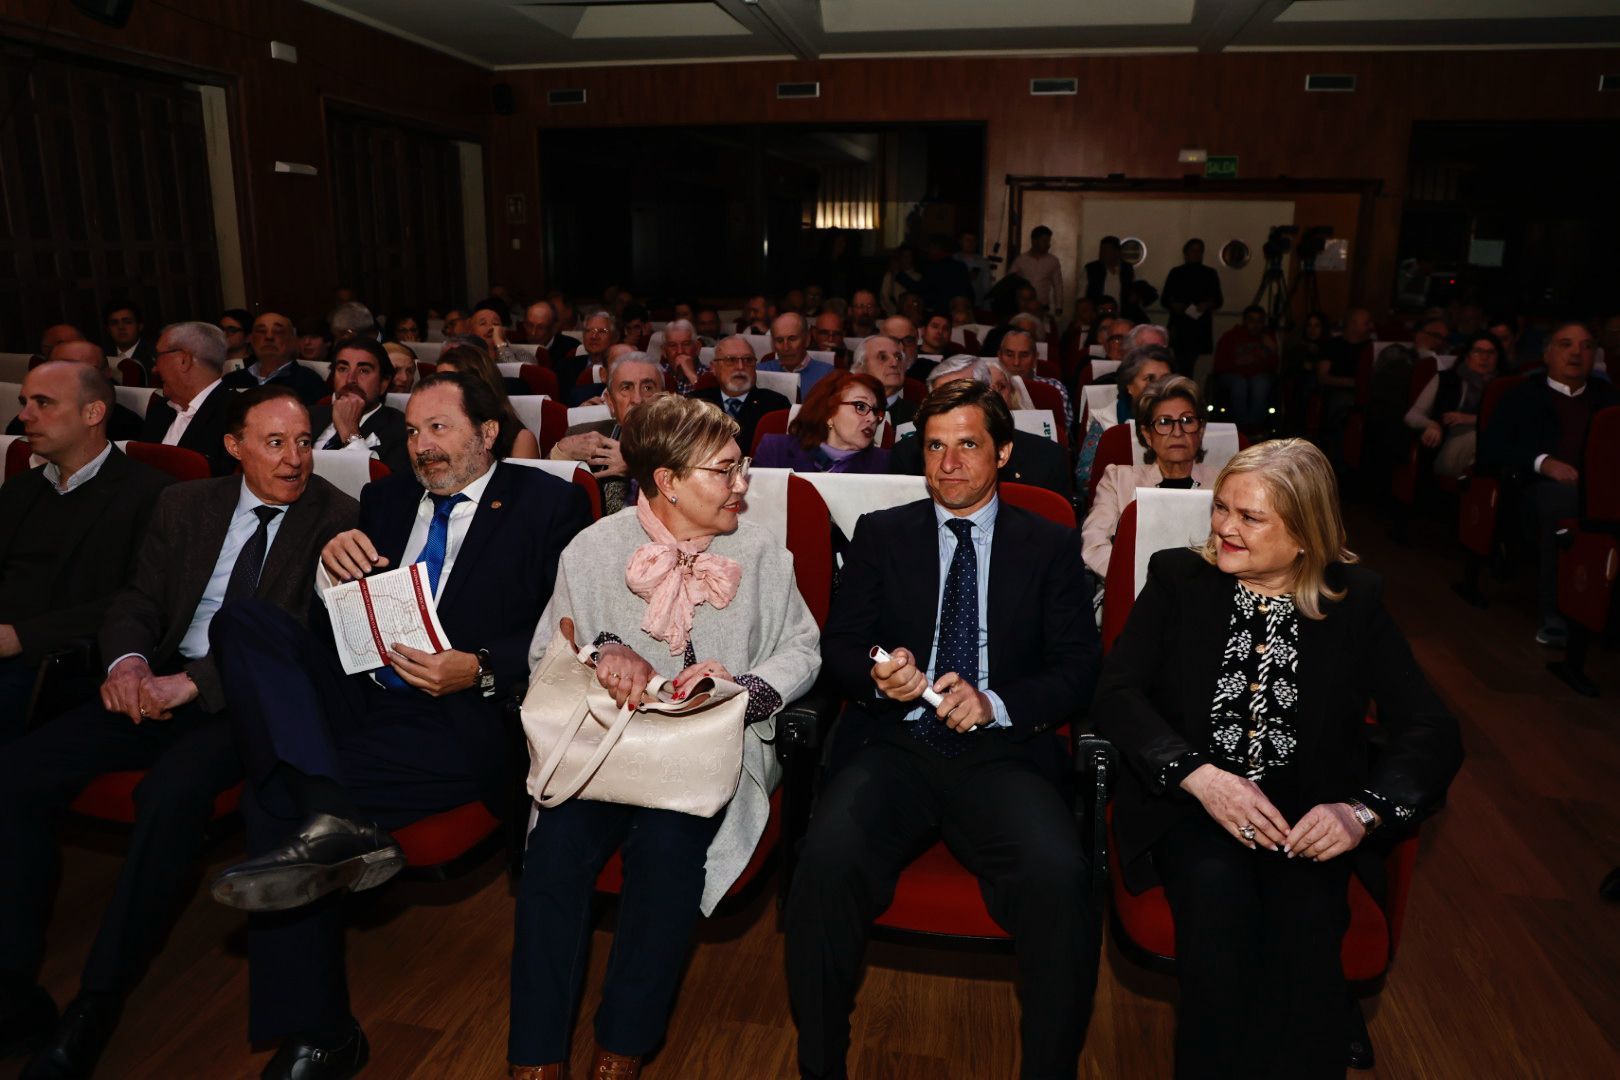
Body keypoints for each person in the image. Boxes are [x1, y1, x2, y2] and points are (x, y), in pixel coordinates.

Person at [206, 372, 590, 1079]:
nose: (421, 446)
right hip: (365, 691)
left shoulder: (549, 503)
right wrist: (331, 573)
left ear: (487, 434)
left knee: (271, 798)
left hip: (459, 713)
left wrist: (476, 666)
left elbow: (571, 628)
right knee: (244, 620)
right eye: (412, 432)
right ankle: (334, 818)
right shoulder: (383, 499)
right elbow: (338, 625)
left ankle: (321, 1033)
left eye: (439, 429)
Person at [0, 387, 357, 1079]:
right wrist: (129, 662)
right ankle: (13, 991)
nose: (295, 458)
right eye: (275, 442)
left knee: (168, 799)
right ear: (233, 446)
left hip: (239, 710)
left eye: (305, 441)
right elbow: (138, 599)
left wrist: (193, 684)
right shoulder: (186, 506)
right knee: (15, 775)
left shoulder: (335, 521)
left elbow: (300, 641)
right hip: (148, 684)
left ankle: (97, 1000)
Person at [1093, 438, 1462, 1078]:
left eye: (1250, 517)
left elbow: (1432, 729)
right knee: (1217, 916)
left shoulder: (1355, 601)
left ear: (1303, 534)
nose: (1225, 529)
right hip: (1194, 807)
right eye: (1222, 509)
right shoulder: (1178, 578)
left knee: (1308, 932)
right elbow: (1117, 693)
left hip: (1306, 822)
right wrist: (1198, 776)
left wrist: (1363, 813)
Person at [787, 378, 1101, 1080]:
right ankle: (820, 1066)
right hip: (895, 743)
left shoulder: (1048, 544)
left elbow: (1080, 668)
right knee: (827, 862)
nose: (949, 463)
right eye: (934, 446)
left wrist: (995, 702)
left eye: (967, 445)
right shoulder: (882, 533)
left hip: (1003, 753)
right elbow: (840, 644)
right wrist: (878, 673)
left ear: (1003, 454)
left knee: (1059, 879)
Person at [509, 394, 819, 1080]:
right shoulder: (593, 549)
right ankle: (533, 1059)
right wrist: (604, 652)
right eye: (725, 471)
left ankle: (623, 1045)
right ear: (667, 480)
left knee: (670, 851)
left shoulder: (764, 551)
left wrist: (739, 688)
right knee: (553, 856)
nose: (743, 485)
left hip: (709, 754)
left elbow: (803, 650)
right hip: (603, 751)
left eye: (742, 469)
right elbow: (547, 652)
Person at [0, 362, 173, 733]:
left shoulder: (154, 494)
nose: (24, 415)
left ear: (93, 412)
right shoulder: (19, 489)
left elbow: (140, 601)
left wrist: (22, 637)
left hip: (62, 665)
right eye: (24, 401)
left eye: (43, 403)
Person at [1480, 321, 1620, 646]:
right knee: (1562, 503)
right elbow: (1491, 448)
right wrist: (1544, 462)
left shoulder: (1608, 399)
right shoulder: (1522, 395)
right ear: (1547, 354)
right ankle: (1554, 614)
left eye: (1586, 346)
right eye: (1566, 344)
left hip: (1601, 491)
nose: (1577, 352)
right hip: (1534, 490)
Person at [1083, 376, 1218, 580]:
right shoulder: (1118, 479)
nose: (1177, 432)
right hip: (1134, 591)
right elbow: (1094, 546)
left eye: (1187, 421)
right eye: (1164, 422)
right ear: (1147, 435)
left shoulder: (1223, 483)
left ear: (1201, 430)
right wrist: (1141, 579)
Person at [890, 355, 1071, 497]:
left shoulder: (1046, 459)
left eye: (962, 398)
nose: (951, 408)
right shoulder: (907, 455)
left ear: (989, 397)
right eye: (940, 399)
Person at [550, 353, 665, 514]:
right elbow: (544, 499)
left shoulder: (687, 441)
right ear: (610, 403)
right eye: (626, 388)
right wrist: (558, 454)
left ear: (664, 399)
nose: (638, 399)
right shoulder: (582, 433)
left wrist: (635, 467)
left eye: (648, 388)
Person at [1075, 345, 1175, 505]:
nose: (1159, 386)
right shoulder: (1106, 421)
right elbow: (1085, 479)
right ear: (1129, 386)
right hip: (1119, 506)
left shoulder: (1188, 423)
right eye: (1150, 379)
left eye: (1165, 378)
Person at [139, 320, 237, 477]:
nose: (154, 368)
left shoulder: (237, 414)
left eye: (158, 357)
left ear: (184, 360)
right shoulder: (160, 410)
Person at [1403, 331, 1500, 479]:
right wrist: (1431, 424)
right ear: (1467, 356)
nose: (1484, 357)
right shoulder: (1446, 379)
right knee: (1481, 438)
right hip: (1449, 444)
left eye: (1490, 352)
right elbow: (1412, 415)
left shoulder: (1503, 386)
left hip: (1487, 444)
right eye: (1477, 351)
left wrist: (1471, 419)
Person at [753, 371, 890, 474]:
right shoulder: (775, 450)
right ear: (829, 413)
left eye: (876, 412)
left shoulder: (884, 464)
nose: (872, 419)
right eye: (860, 406)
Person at [310, 337, 412, 476]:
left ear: (383, 383)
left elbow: (383, 489)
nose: (351, 379)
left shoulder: (402, 430)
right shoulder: (309, 416)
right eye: (343, 369)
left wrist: (350, 433)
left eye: (363, 370)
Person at [5, 340, 143, 441]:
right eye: (59, 370)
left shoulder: (128, 428)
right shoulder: (23, 424)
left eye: (84, 371)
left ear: (106, 375)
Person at [434, 341, 542, 459]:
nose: (440, 391)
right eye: (437, 382)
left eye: (449, 382)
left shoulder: (520, 439)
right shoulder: (433, 428)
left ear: (478, 385)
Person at [690, 335, 790, 452]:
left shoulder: (776, 404)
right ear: (714, 368)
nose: (740, 367)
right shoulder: (694, 403)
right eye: (731, 360)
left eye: (748, 360)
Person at [223, 312, 331, 406]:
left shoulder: (310, 382)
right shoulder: (231, 381)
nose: (269, 336)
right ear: (251, 338)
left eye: (278, 331)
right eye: (261, 331)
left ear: (293, 340)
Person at [1161, 239, 1223, 376]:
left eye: (1199, 251)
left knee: (1187, 365)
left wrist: (1207, 304)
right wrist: (1174, 305)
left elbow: (1218, 300)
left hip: (1199, 326)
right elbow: (1164, 299)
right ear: (1186, 253)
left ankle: (1183, 391)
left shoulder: (1209, 273)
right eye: (1193, 251)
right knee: (1181, 363)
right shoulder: (1176, 272)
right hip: (1180, 324)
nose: (1196, 254)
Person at [1213, 305, 1279, 426]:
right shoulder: (1230, 337)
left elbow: (1274, 367)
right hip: (1234, 375)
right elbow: (1219, 365)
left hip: (1259, 376)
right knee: (1239, 384)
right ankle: (1242, 426)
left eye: (1259, 321)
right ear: (1244, 321)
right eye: (1251, 320)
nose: (1255, 325)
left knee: (1261, 384)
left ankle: (1255, 426)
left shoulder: (1267, 338)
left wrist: (1272, 350)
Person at [999, 328, 1073, 429]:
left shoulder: (1054, 388)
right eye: (1009, 354)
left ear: (1035, 359)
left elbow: (1063, 434)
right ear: (999, 357)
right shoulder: (988, 388)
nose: (1016, 362)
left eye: (1024, 355)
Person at [760, 312, 834, 397]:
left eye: (792, 339)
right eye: (779, 340)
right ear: (773, 345)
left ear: (807, 340)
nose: (786, 347)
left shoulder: (826, 375)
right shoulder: (761, 372)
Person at [854, 334, 914, 425]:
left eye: (898, 357)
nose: (894, 363)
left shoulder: (917, 415)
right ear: (861, 368)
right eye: (883, 357)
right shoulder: (847, 409)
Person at [1008, 224, 1064, 319]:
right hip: (1023, 308)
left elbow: (1058, 285)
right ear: (1034, 241)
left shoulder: (1053, 261)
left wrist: (1059, 306)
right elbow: (1009, 281)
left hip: (1042, 308)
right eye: (1044, 241)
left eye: (1048, 241)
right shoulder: (1021, 260)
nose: (1048, 245)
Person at [104, 301, 156, 382]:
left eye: (127, 322)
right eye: (114, 323)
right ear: (108, 329)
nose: (121, 327)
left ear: (140, 326)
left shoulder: (155, 355)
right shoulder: (103, 357)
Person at [1084, 235, 1135, 303]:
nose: (1103, 254)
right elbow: (1082, 295)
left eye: (1107, 251)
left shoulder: (1127, 269)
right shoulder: (1091, 269)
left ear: (1117, 252)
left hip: (1121, 311)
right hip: (1098, 311)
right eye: (1102, 250)